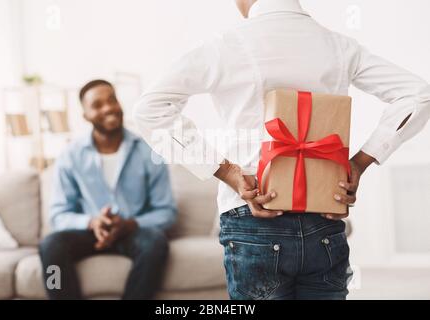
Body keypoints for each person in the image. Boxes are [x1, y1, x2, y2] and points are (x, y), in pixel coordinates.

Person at [133, 0, 430, 299]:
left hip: (252, 211)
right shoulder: (339, 45)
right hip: (323, 215)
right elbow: (419, 95)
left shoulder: (226, 45)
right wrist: (359, 163)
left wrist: (228, 172)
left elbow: (149, 109)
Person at [39, 79, 177, 300]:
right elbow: (59, 215)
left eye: (112, 100)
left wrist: (129, 225)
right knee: (50, 244)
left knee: (155, 242)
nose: (108, 108)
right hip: (89, 233)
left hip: (132, 231)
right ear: (85, 115)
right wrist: (92, 222)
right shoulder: (70, 155)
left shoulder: (149, 151)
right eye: (97, 105)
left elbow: (166, 212)